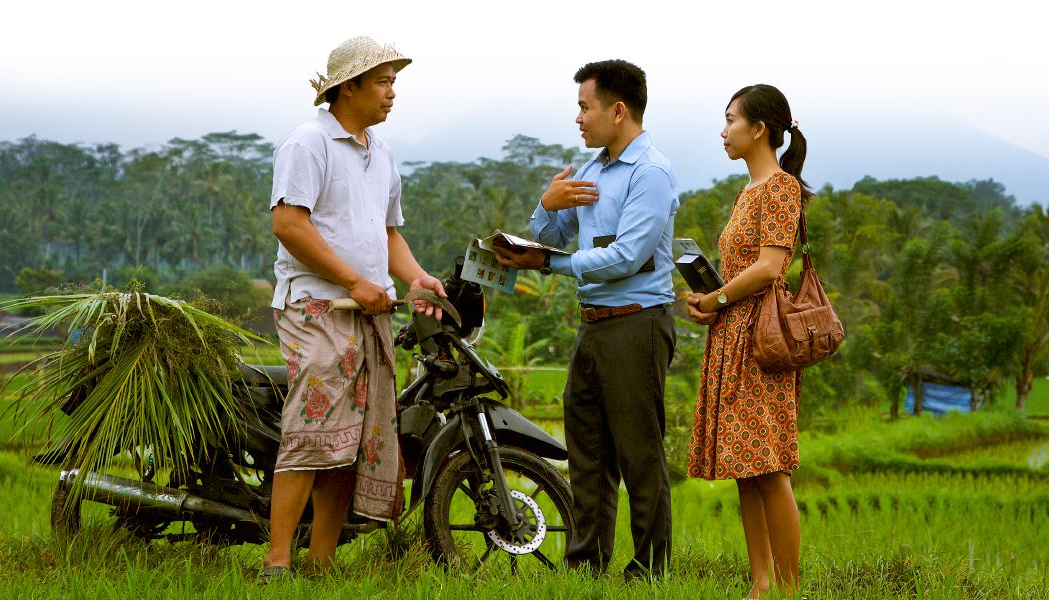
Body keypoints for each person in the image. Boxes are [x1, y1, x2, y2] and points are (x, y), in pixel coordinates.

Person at [261, 36, 446, 582]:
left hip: (366, 309)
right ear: (349, 87)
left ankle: (320, 564)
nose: (392, 94)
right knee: (311, 426)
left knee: (352, 435)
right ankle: (277, 561)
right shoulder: (309, 143)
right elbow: (289, 224)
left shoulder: (380, 152)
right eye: (383, 82)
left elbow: (386, 234)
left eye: (394, 83)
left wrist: (416, 278)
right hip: (316, 305)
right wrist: (354, 281)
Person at [492, 59, 679, 579]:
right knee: (588, 450)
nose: (577, 118)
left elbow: (625, 256)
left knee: (639, 454)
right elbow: (549, 238)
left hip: (638, 322)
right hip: (593, 323)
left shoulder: (651, 173)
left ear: (618, 110)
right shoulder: (591, 170)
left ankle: (649, 570)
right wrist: (545, 206)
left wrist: (547, 263)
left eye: (584, 106)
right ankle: (586, 565)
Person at [681, 84, 810, 599]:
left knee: (770, 466)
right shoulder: (748, 193)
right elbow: (744, 269)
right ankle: (760, 583)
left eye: (731, 120)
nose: (723, 130)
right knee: (746, 467)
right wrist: (710, 298)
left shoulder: (780, 188)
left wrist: (715, 300)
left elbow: (771, 267)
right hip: (733, 334)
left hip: (762, 340)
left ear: (759, 129)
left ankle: (789, 587)